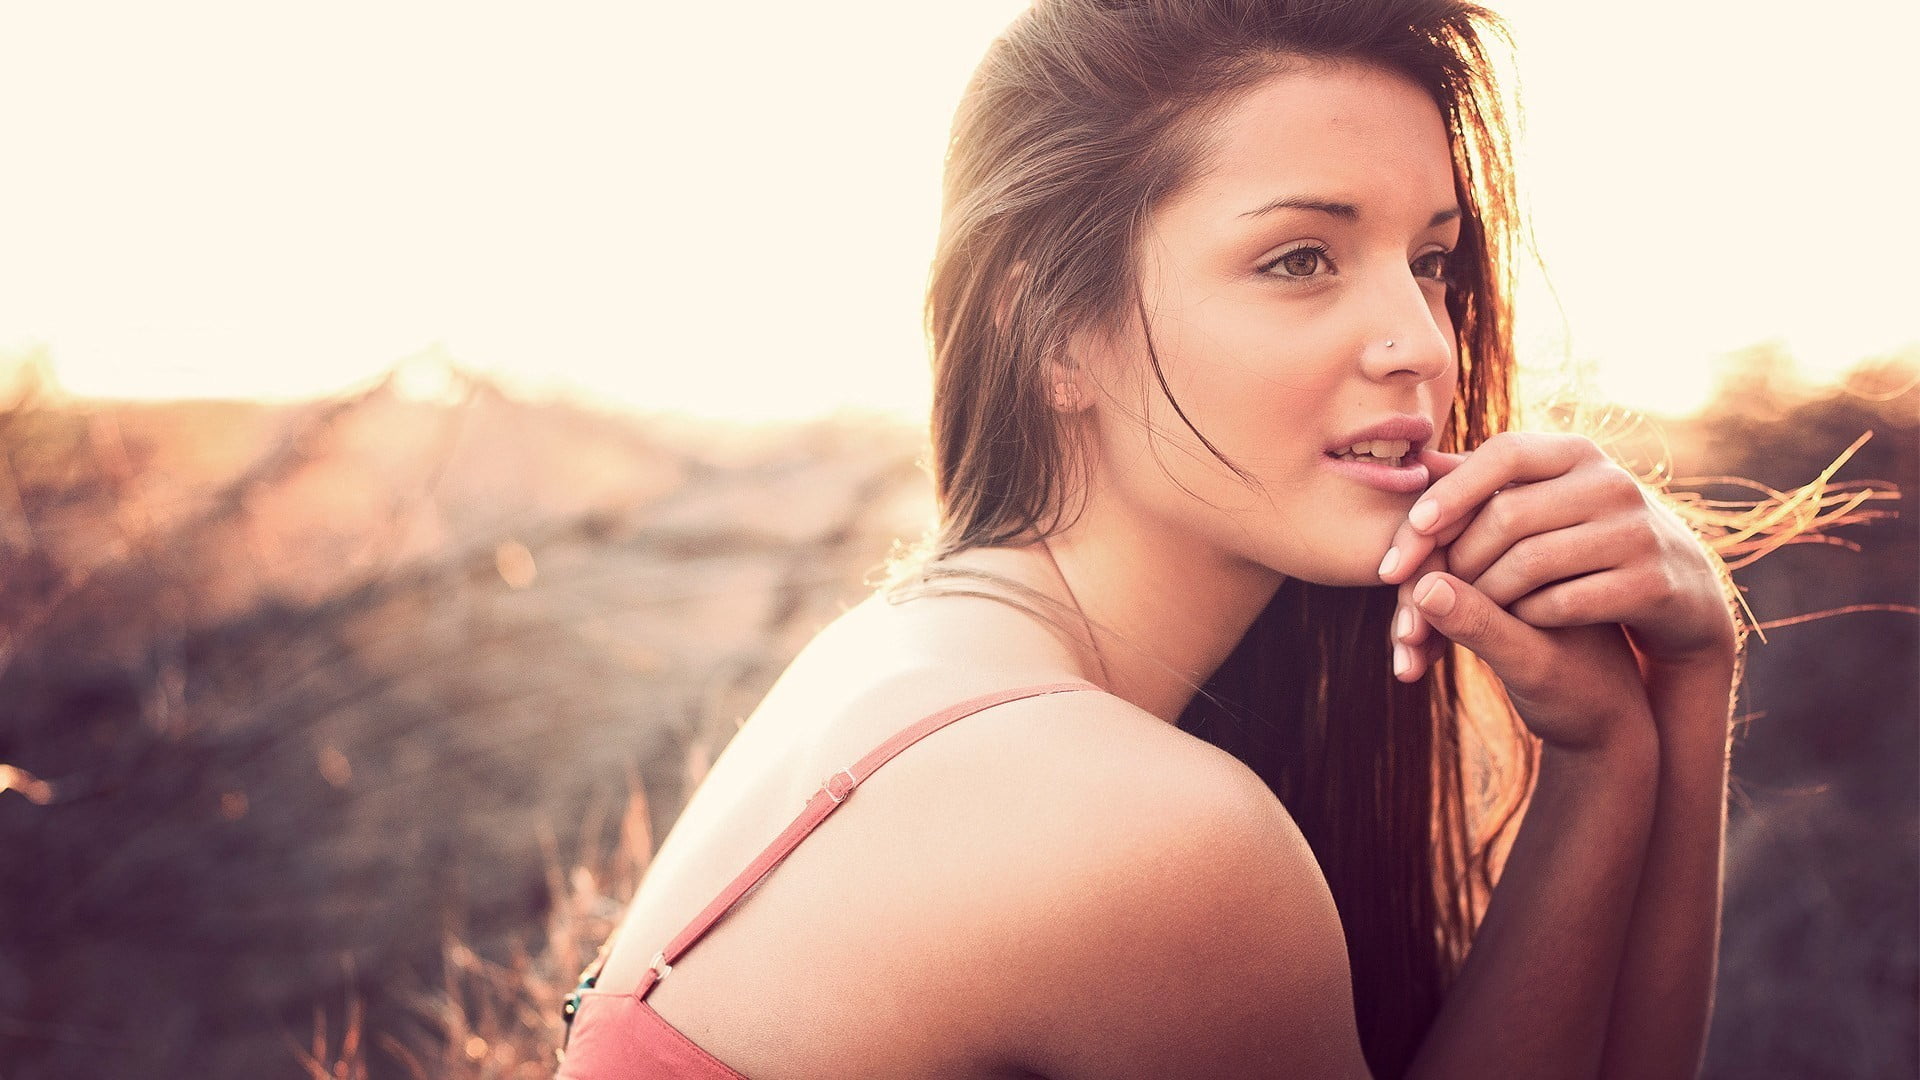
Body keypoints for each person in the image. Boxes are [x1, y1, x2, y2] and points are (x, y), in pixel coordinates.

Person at [554, 0, 1744, 1076]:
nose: (1424, 343)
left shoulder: (908, 656)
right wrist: (1603, 768)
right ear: (1052, 330)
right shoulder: (1145, 836)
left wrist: (1667, 700)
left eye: (1431, 262)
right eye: (1299, 260)